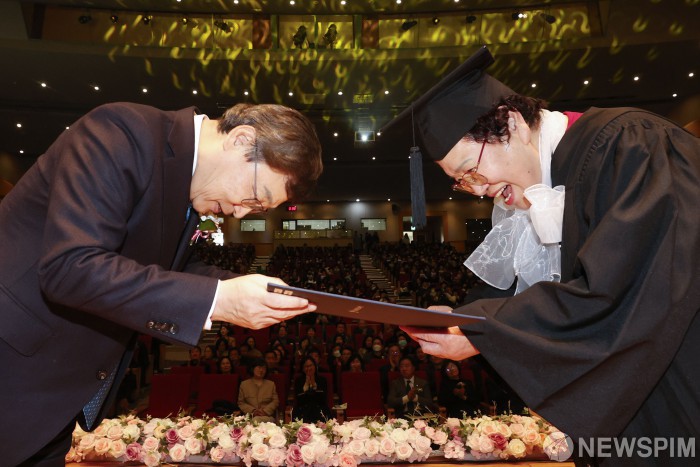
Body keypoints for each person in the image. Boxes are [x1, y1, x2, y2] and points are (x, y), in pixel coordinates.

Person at [388, 46, 699, 465]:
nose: (477, 190)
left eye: (471, 171)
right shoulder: (538, 193)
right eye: (462, 182)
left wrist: (484, 329)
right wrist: (466, 324)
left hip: (680, 396)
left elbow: (625, 295)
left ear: (512, 123)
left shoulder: (630, 145)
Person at [0, 101, 322, 466]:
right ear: (241, 139)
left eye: (257, 209)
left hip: (50, 401)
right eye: (253, 196)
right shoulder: (121, 132)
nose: (241, 212)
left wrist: (247, 288)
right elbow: (71, 266)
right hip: (13, 370)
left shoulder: (189, 187)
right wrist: (218, 299)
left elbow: (171, 269)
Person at [237, 358, 279, 423]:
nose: (261, 370)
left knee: (256, 420)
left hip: (267, 417)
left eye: (264, 368)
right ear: (252, 369)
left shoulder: (271, 384)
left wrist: (265, 411)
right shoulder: (244, 384)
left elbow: (275, 401)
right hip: (249, 416)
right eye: (259, 368)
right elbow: (241, 402)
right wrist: (253, 411)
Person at [292, 356, 331, 423]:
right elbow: (299, 400)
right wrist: (306, 385)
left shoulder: (322, 380)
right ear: (303, 369)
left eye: (311, 365)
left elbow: (323, 399)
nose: (309, 368)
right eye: (306, 366)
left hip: (319, 409)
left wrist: (314, 385)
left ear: (315, 366)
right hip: (302, 410)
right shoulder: (298, 381)